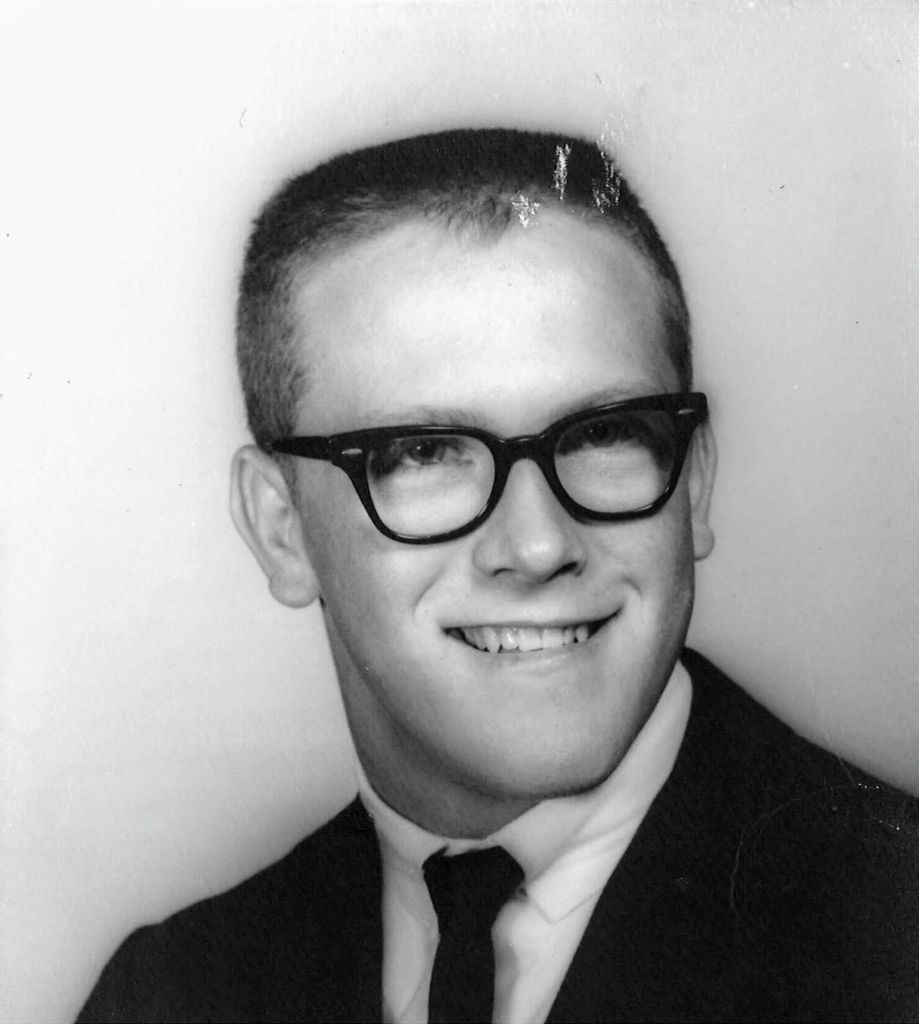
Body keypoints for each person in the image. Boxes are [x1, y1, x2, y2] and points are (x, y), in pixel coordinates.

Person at [77, 127, 919, 1023]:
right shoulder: (168, 995)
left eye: (603, 434)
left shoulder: (889, 935)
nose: (538, 545)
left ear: (695, 484)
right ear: (281, 529)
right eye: (424, 452)